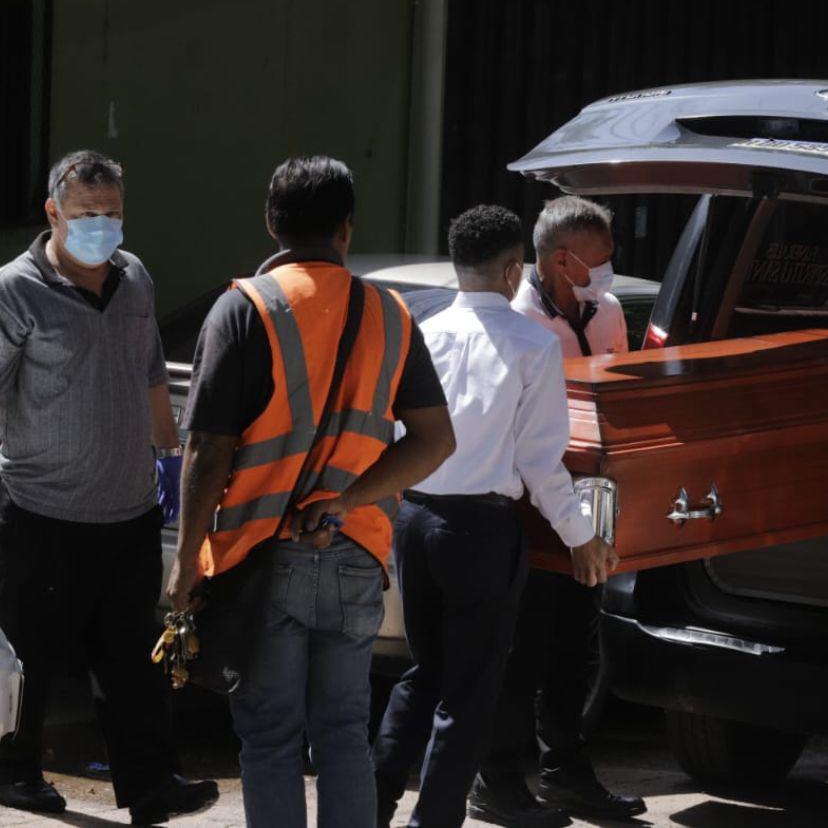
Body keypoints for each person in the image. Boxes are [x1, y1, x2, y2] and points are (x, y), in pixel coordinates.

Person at [167, 156, 455, 828]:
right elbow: (435, 441)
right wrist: (349, 501)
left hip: (262, 557)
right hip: (355, 550)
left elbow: (207, 451)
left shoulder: (244, 308)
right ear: (347, 230)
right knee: (344, 736)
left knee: (269, 739)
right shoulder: (392, 314)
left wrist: (186, 560)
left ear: (272, 223)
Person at [372, 204, 619, 828]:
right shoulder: (531, 344)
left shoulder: (421, 331)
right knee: (470, 690)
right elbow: (541, 465)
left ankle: (367, 808)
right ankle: (435, 820)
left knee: (424, 674)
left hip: (415, 521)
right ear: (515, 271)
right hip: (478, 531)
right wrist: (582, 538)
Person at [0, 150, 218, 823]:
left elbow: (153, 372)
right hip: (41, 507)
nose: (101, 225)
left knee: (129, 656)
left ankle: (151, 788)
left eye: (112, 214)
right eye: (87, 214)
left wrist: (169, 457)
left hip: (127, 508)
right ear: (53, 212)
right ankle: (15, 775)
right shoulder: (15, 289)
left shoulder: (136, 277)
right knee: (31, 656)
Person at [471, 196, 645, 827]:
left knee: (576, 647)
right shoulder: (516, 322)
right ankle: (497, 780)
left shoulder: (610, 313)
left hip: (587, 505)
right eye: (601, 259)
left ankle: (566, 772)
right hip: (524, 506)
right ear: (561, 260)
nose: (610, 269)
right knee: (522, 650)